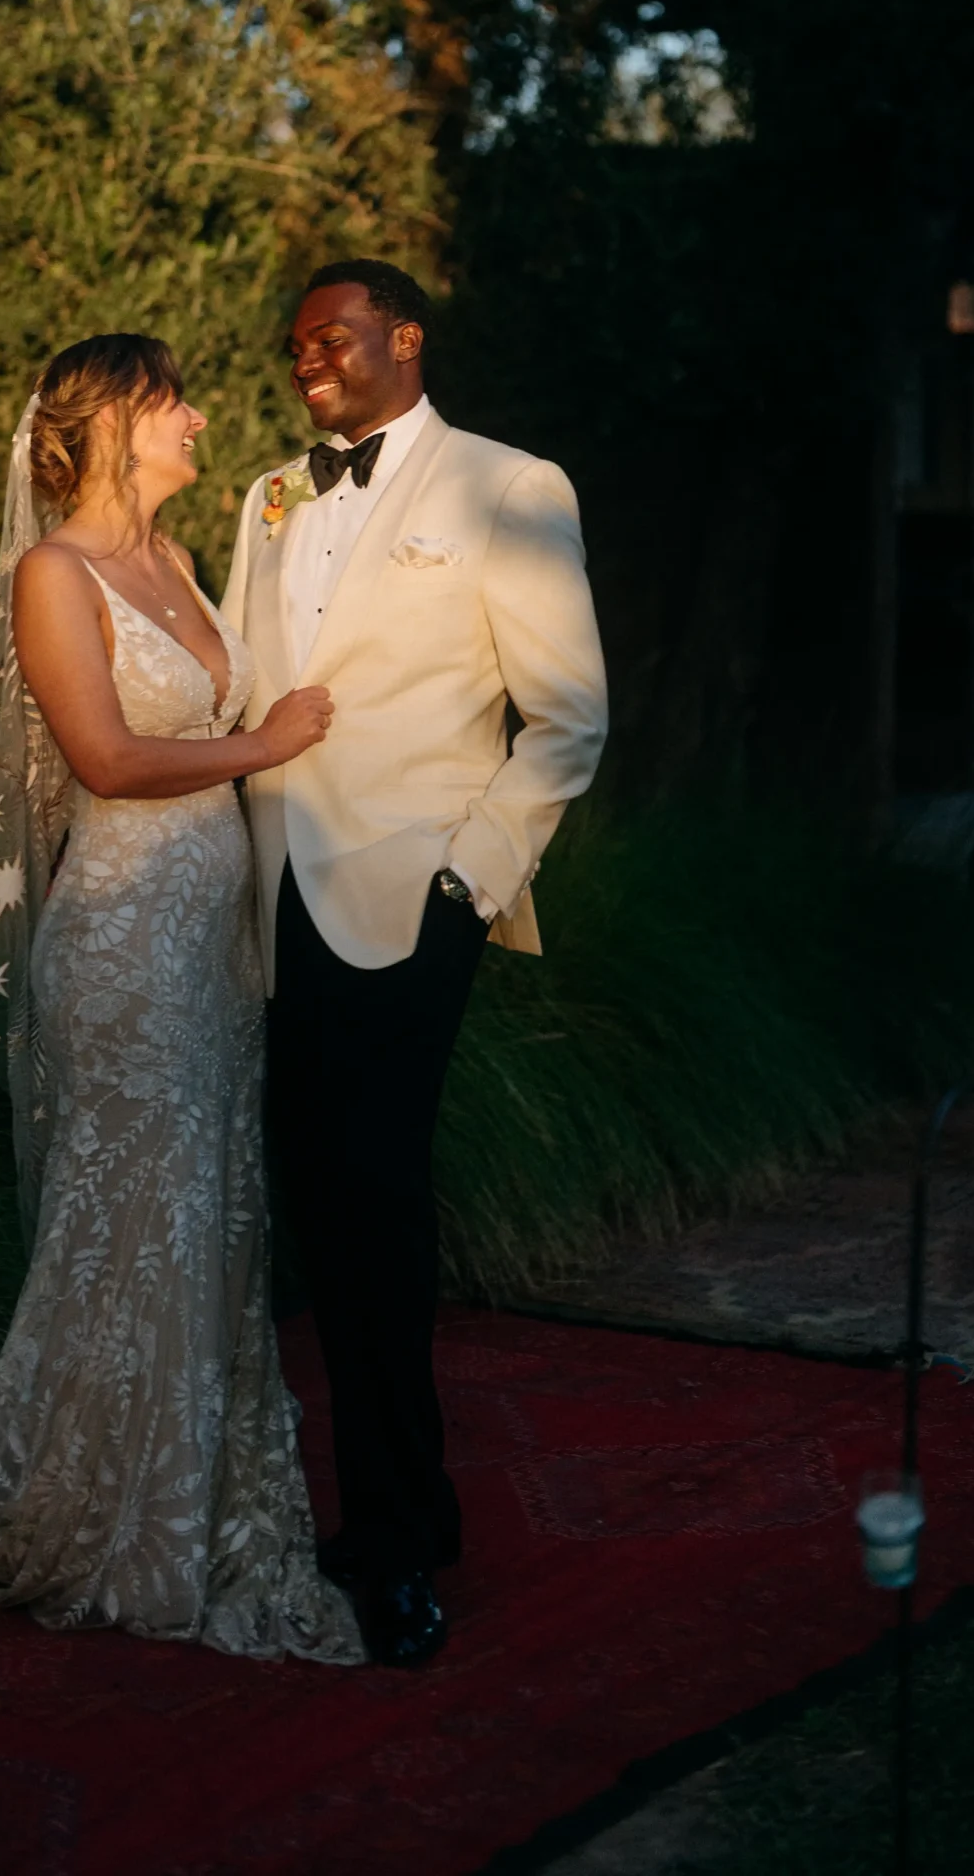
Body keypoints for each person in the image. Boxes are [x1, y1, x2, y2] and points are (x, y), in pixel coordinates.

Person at [0, 334, 362, 1664]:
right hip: (123, 944)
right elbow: (109, 760)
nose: (197, 415)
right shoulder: (52, 575)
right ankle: (97, 1519)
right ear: (119, 423)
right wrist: (273, 738)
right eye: (173, 399)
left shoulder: (178, 565)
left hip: (210, 940)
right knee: (138, 1219)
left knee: (208, 1219)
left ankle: (192, 1503)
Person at [221, 260, 608, 1668]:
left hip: (414, 901)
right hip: (275, 913)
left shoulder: (512, 488)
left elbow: (567, 718)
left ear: (405, 336)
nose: (310, 355)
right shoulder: (264, 499)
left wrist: (471, 876)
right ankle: (383, 1508)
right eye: (295, 342)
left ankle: (393, 1544)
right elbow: (238, 692)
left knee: (376, 1206)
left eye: (334, 333)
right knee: (324, 1218)